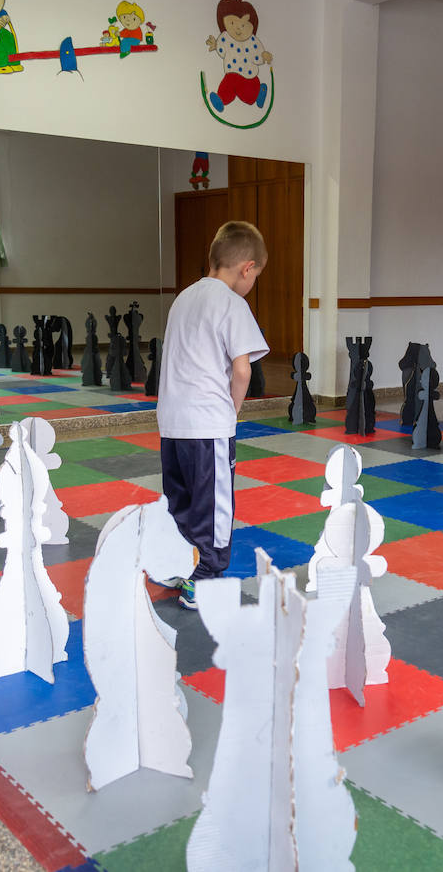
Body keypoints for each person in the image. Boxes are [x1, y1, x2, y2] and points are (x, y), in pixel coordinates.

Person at [156, 221, 269, 609]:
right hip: (208, 422)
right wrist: (232, 413)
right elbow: (242, 371)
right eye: (256, 275)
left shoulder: (183, 298)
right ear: (247, 268)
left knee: (180, 499)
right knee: (213, 505)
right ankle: (203, 577)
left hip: (172, 421)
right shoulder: (232, 303)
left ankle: (178, 561)